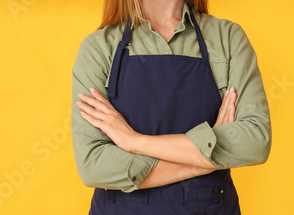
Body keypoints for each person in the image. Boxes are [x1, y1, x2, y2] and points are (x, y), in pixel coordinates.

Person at [70, 0, 272, 214]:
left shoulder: (228, 38)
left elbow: (255, 141)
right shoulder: (99, 47)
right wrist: (204, 161)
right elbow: (93, 166)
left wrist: (135, 141)